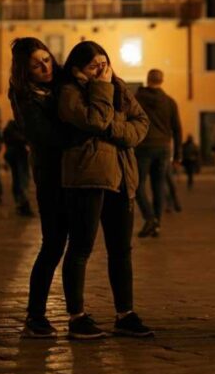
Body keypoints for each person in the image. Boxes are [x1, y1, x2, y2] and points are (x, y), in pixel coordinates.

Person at [58, 41, 151, 339]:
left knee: (121, 250)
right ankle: (77, 316)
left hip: (122, 176)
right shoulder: (70, 93)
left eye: (104, 62)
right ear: (76, 70)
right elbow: (95, 119)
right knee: (81, 247)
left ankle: (125, 314)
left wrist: (114, 130)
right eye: (93, 65)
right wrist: (102, 89)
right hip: (89, 176)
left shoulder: (119, 87)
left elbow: (141, 124)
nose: (101, 69)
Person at [8, 37, 69, 338]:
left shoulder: (62, 83)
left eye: (46, 59)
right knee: (54, 244)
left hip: (79, 173)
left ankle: (78, 312)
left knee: (79, 246)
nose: (45, 66)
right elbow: (43, 136)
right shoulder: (24, 96)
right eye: (36, 64)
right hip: (51, 176)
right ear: (25, 71)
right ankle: (35, 314)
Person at [134, 69, 182, 238]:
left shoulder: (138, 99)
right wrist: (177, 156)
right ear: (162, 80)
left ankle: (150, 218)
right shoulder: (170, 102)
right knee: (158, 186)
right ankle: (157, 224)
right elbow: (177, 129)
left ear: (147, 79)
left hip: (143, 147)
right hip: (163, 148)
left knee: (137, 185)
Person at [3, 119, 34, 217]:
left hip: (15, 156)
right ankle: (23, 205)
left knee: (18, 180)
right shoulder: (16, 127)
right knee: (22, 180)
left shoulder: (10, 128)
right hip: (19, 156)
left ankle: (20, 203)